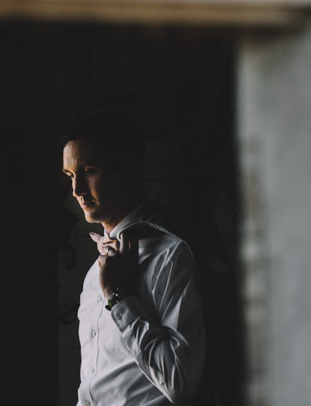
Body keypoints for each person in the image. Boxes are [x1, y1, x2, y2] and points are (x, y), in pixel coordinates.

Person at [62, 115, 206, 406]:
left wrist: (119, 297)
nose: (76, 190)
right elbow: (93, 384)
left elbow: (180, 382)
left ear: (128, 170)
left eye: (89, 171)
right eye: (69, 175)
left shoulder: (172, 255)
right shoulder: (96, 271)